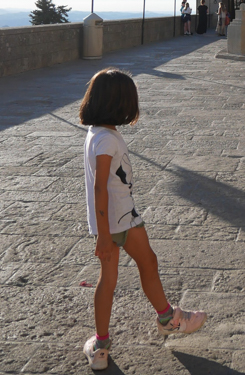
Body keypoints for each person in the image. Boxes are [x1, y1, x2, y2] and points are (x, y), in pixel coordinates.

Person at [79, 69, 206, 370]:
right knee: (148, 264)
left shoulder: (97, 134)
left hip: (109, 223)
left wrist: (101, 230)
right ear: (120, 104)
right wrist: (104, 235)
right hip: (122, 221)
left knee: (108, 281)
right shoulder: (107, 140)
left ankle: (100, 346)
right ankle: (169, 320)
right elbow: (100, 188)